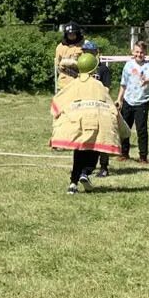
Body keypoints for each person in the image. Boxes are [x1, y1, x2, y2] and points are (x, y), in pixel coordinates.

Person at [51, 51, 120, 193]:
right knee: (94, 149)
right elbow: (110, 105)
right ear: (94, 69)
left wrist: (56, 114)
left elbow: (58, 101)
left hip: (78, 124)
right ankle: (86, 173)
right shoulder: (99, 85)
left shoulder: (74, 84)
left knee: (79, 152)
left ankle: (73, 184)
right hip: (96, 124)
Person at [118, 40, 149, 164]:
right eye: (137, 52)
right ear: (133, 52)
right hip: (128, 101)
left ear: (145, 53)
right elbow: (123, 84)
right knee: (125, 129)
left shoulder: (148, 66)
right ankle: (124, 153)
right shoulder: (128, 65)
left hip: (142, 102)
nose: (139, 54)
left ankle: (143, 156)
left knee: (141, 129)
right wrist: (119, 99)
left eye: (142, 52)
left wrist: (147, 81)